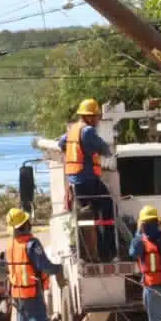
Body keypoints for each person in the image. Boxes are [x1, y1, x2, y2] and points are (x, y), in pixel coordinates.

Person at [3, 206, 64, 321]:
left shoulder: (11, 245)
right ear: (26, 224)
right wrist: (58, 269)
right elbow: (44, 265)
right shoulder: (31, 244)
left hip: (17, 295)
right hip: (31, 294)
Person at [59, 98, 115, 261]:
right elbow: (104, 148)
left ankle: (93, 251)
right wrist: (108, 153)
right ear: (89, 117)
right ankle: (108, 250)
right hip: (88, 179)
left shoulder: (73, 130)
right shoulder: (88, 131)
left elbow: (61, 143)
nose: (98, 120)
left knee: (88, 216)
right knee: (107, 207)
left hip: (76, 182)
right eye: (97, 116)